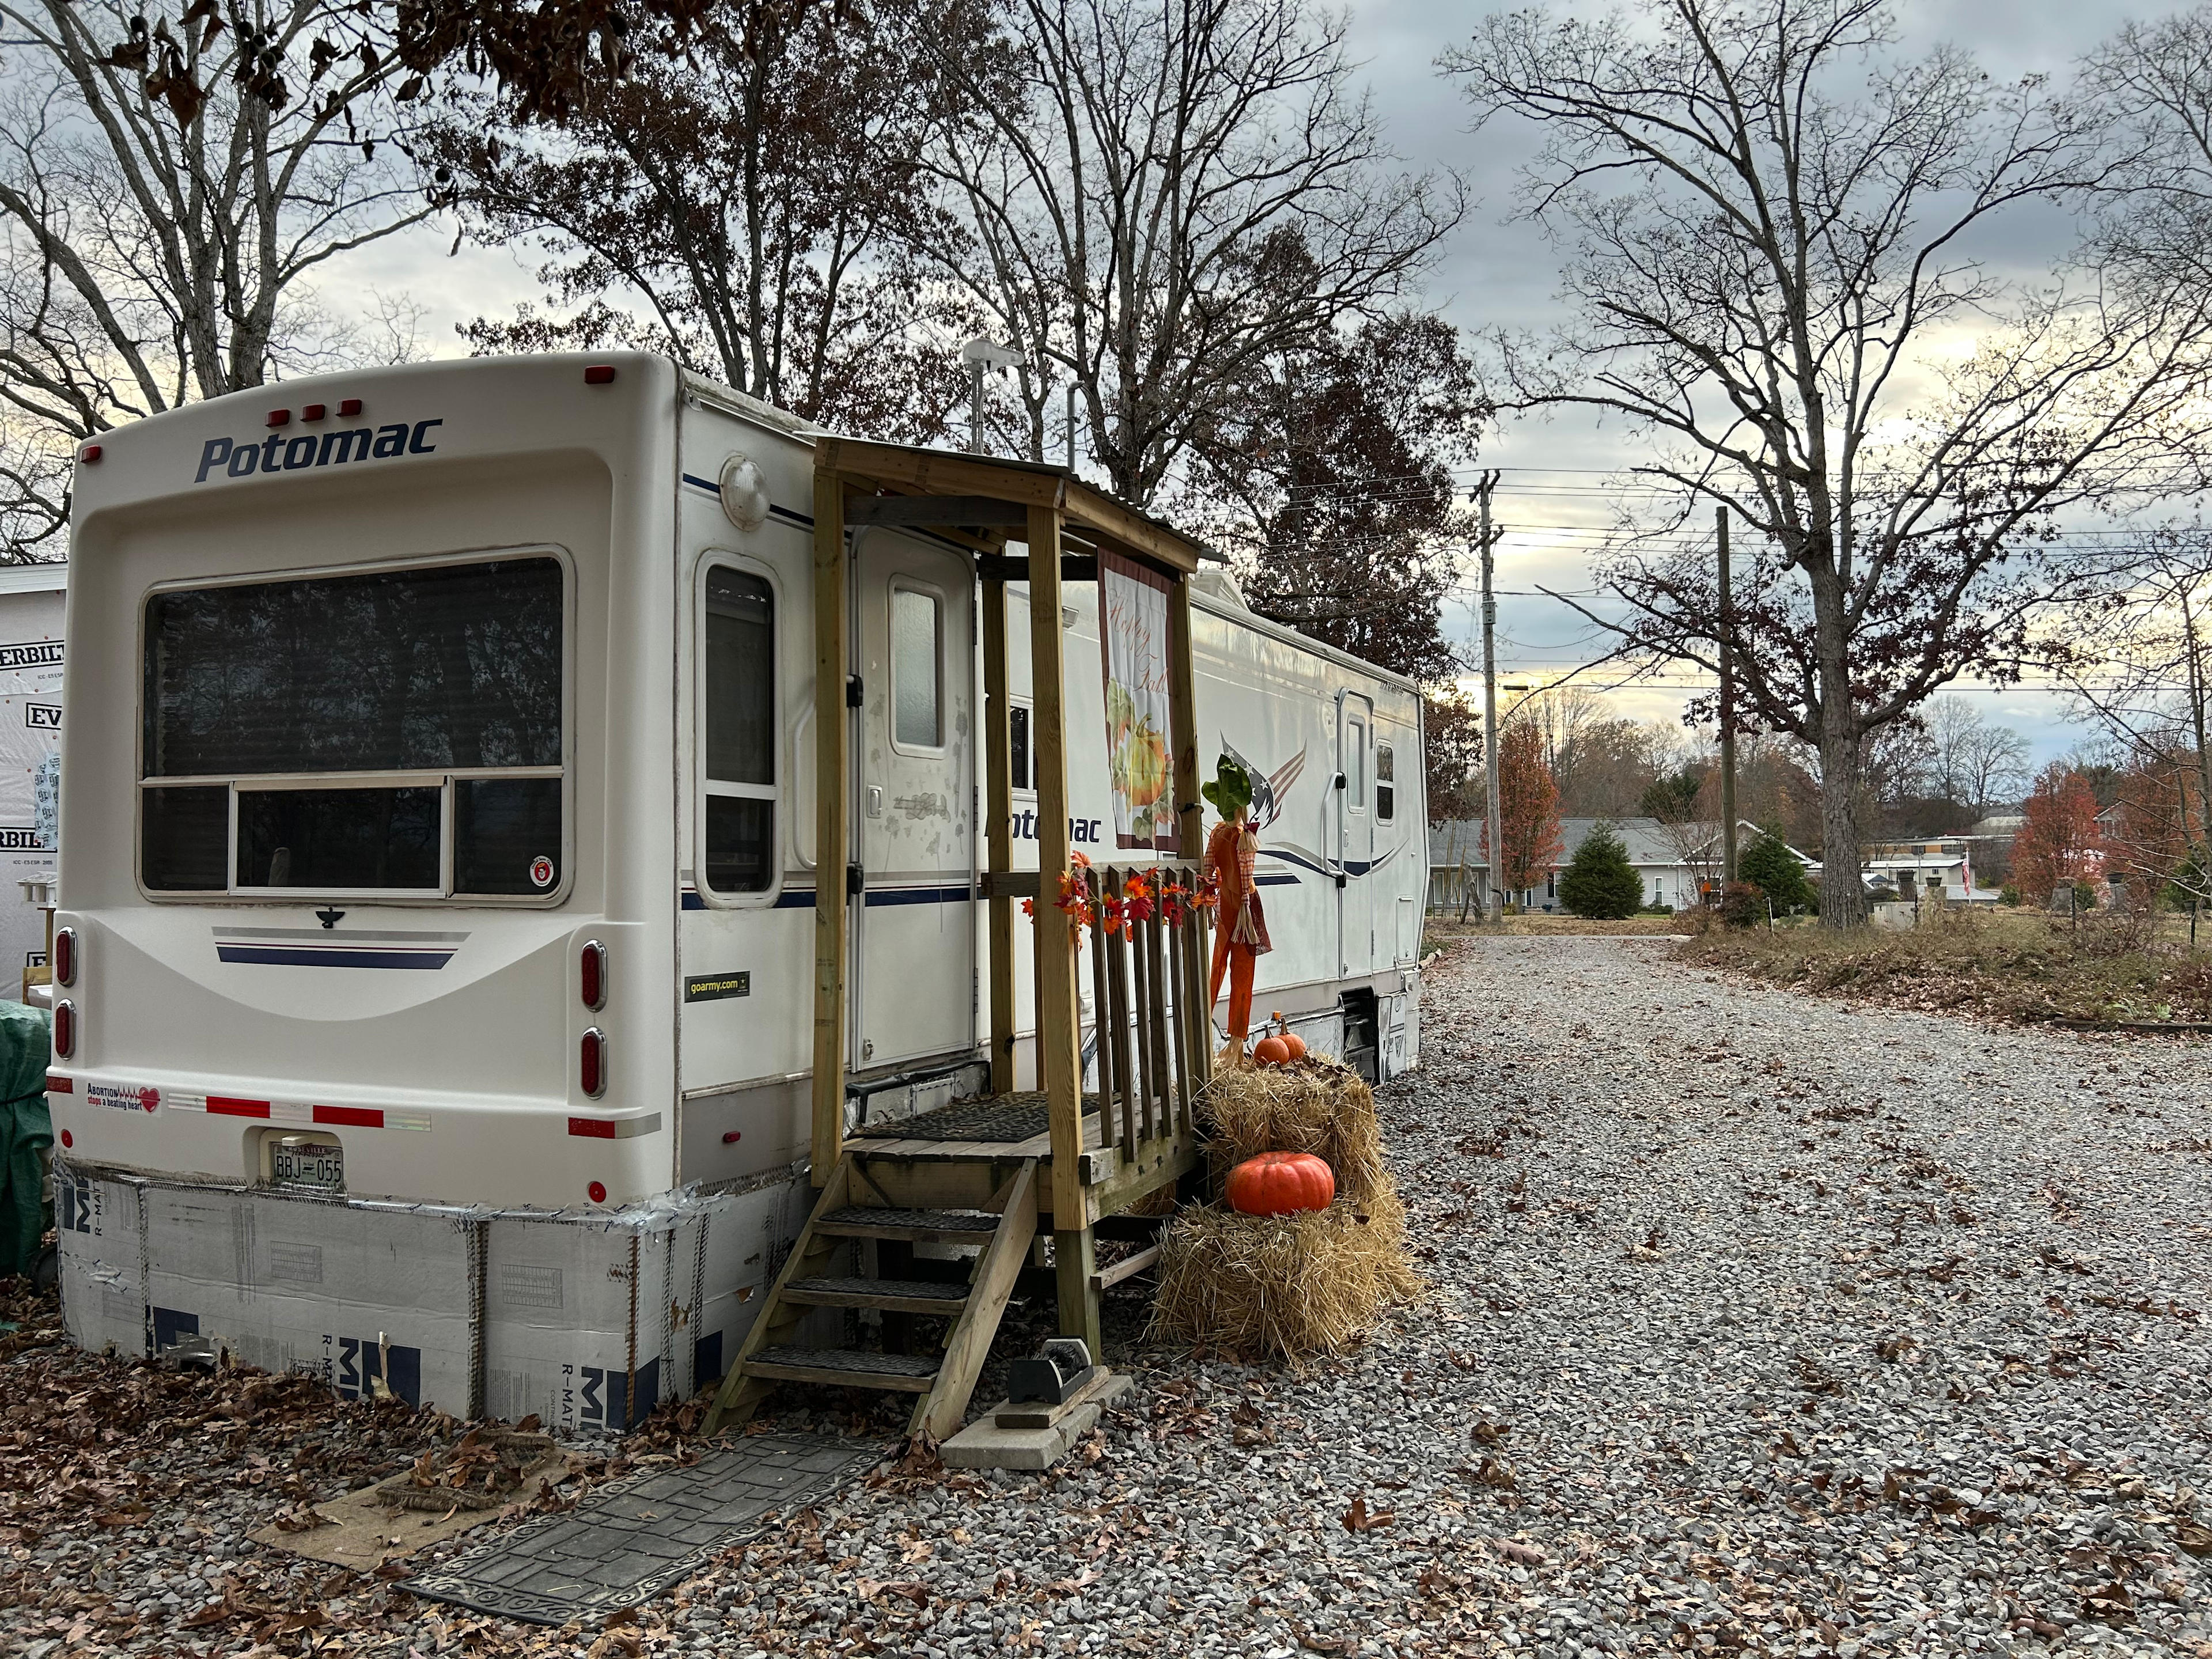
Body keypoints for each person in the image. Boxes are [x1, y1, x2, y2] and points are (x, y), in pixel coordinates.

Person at [1200, 755, 1271, 1063]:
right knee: (1243, 974)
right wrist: (1245, 905)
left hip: (1226, 912)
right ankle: (1236, 1043)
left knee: (1216, 967)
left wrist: (1210, 901)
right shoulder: (1245, 837)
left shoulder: (1216, 834)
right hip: (1244, 910)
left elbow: (1207, 872)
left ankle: (1202, 1026)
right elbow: (1246, 878)